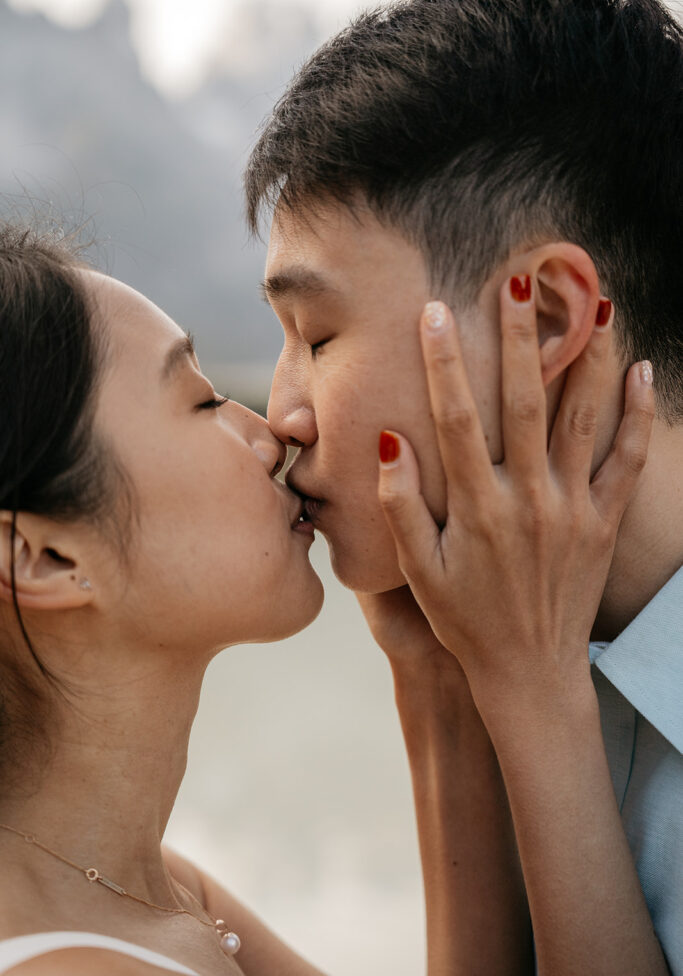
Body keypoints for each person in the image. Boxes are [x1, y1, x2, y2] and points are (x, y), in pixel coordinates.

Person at [0, 200, 653, 976]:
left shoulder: (147, 889)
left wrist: (433, 672)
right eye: (203, 402)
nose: (271, 430)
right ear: (42, 557)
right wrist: (535, 685)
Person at [244, 0, 683, 973]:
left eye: (315, 335)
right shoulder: (512, 647)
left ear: (543, 318)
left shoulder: (538, 676)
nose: (282, 415)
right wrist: (442, 682)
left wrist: (532, 708)